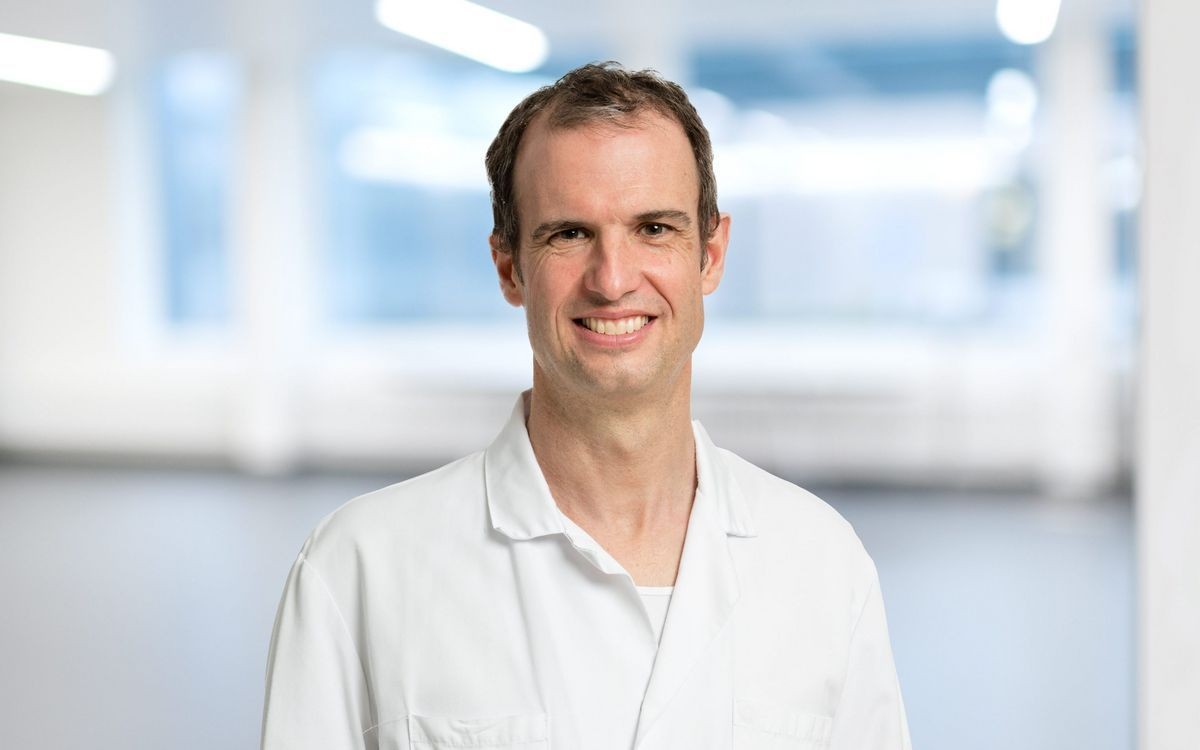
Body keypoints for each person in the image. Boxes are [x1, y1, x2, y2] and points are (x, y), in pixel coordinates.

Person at [260, 62, 911, 750]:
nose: (614, 279)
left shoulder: (822, 563)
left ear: (710, 254)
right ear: (509, 266)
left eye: (655, 229)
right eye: (569, 233)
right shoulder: (359, 569)